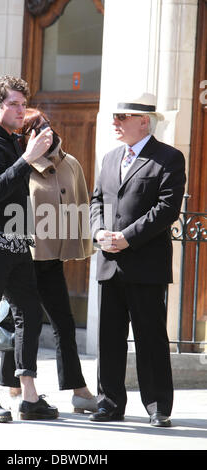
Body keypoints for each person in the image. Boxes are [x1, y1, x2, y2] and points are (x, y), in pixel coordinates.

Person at [0, 75, 59, 422]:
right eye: (13, 105)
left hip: (17, 241)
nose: (21, 111)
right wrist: (27, 158)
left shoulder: (14, 138)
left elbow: (48, 152)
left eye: (23, 104)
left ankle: (28, 394)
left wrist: (38, 141)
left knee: (30, 314)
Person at [89, 93, 186, 427]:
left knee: (150, 337)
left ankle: (158, 406)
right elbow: (96, 200)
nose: (115, 122)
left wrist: (126, 237)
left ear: (144, 121)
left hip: (146, 264)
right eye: (115, 117)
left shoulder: (169, 158)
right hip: (109, 263)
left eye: (122, 117)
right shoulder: (110, 157)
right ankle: (109, 403)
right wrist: (99, 232)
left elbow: (167, 209)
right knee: (109, 338)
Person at [0, 108, 98, 413]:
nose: (43, 132)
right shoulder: (20, 165)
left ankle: (78, 389)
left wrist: (75, 244)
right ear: (25, 136)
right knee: (19, 322)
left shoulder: (70, 164)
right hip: (22, 257)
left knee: (64, 323)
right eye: (34, 128)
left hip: (50, 258)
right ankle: (15, 386)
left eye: (45, 125)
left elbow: (80, 203)